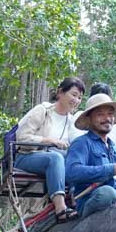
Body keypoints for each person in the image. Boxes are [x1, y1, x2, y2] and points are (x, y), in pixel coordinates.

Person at [11, 77, 85, 223]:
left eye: (80, 98)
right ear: (60, 93)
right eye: (74, 95)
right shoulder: (43, 110)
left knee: (73, 158)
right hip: (27, 157)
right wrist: (49, 141)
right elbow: (22, 138)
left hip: (57, 161)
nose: (76, 100)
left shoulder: (72, 121)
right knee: (55, 157)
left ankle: (77, 197)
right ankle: (60, 208)